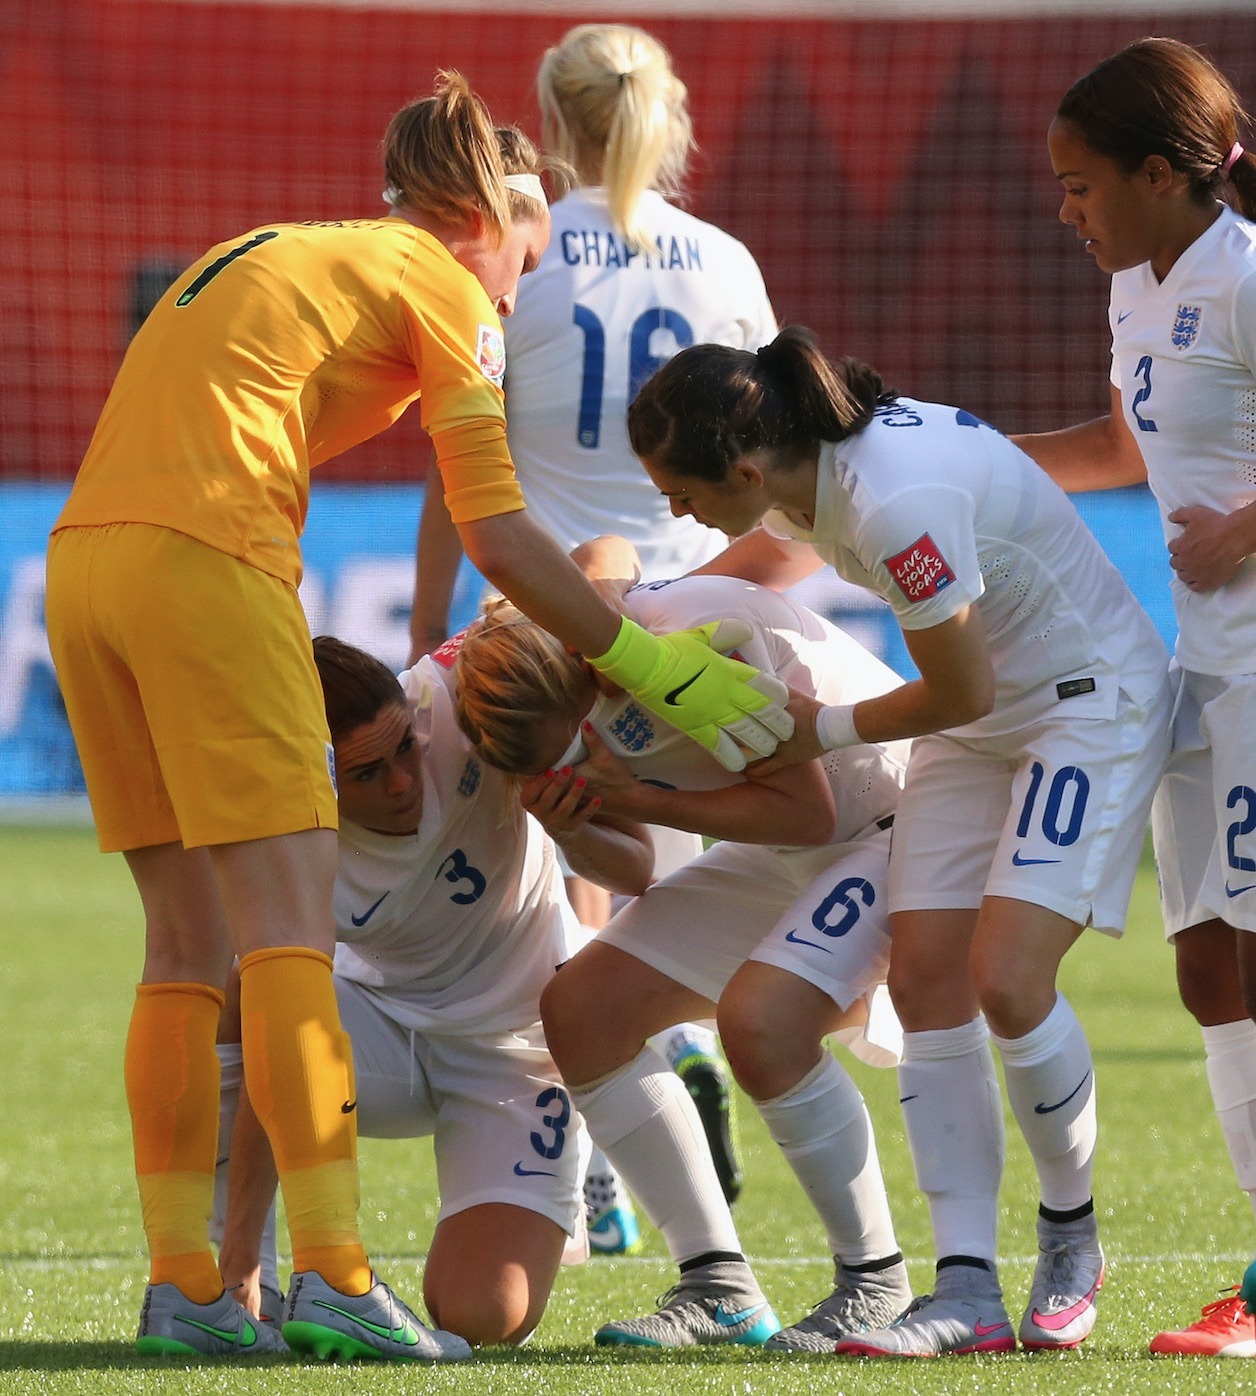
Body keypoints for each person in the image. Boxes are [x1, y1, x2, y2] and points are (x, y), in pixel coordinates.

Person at [42, 71, 787, 1363]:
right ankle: (328, 1274)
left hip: (84, 567)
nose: (516, 294)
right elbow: (502, 528)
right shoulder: (444, 282)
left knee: (185, 951)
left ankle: (191, 1288)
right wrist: (647, 666)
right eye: (527, 260)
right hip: (206, 567)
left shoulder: (277, 247)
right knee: (283, 943)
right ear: (491, 212)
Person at [624, 328, 1174, 1356]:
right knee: (927, 979)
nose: (674, 515)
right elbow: (777, 552)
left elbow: (956, 686)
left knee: (1005, 978)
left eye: (680, 492)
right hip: (979, 718)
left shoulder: (893, 505)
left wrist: (817, 726)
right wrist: (637, 615)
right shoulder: (796, 464)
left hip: (1082, 702)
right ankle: (962, 1287)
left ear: (743, 468)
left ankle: (1069, 1238)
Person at [407, 23, 780, 1230]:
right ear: (666, 118)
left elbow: (449, 477)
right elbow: (769, 456)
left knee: (566, 882)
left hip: (542, 618)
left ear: (549, 123)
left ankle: (598, 1161)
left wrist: (430, 634)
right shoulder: (721, 262)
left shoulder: (512, 260)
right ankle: (691, 1064)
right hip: (692, 616)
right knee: (694, 868)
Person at [454, 560, 915, 1351]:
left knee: (763, 1023)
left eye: (562, 758)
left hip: (902, 825)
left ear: (584, 689)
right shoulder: (566, 659)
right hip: (797, 845)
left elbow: (809, 809)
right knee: (582, 1009)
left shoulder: (687, 653)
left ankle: (877, 1283)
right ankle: (718, 1289)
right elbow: (634, 866)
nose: (564, 771)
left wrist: (632, 797)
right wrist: (573, 821)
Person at [1011, 37, 1256, 1359]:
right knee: (1207, 967)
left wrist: (1244, 533)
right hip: (1202, 663)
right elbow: (1119, 446)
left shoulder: (1247, 279)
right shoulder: (1141, 288)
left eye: (1083, 185)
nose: (1069, 209)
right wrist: (954, 449)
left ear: (1165, 174)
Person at [213, 634, 656, 1347]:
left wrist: (568, 825)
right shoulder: (281, 828)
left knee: (485, 1315)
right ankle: (243, 1277)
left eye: (404, 751)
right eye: (365, 773)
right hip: (380, 1028)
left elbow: (635, 869)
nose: (400, 784)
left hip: (518, 1047)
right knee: (247, 985)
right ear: (314, 776)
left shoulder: (455, 702)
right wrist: (240, 1261)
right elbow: (271, 1023)